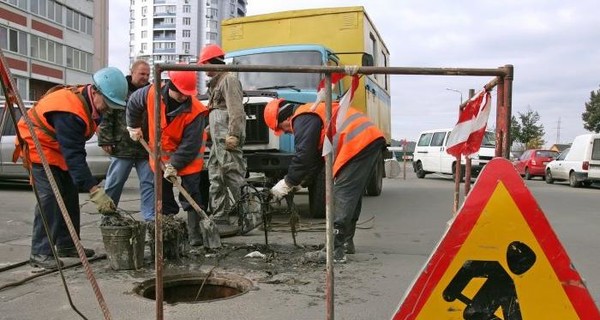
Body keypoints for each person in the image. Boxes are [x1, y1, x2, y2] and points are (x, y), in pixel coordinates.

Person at [14, 67, 128, 270]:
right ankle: (40, 251)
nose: (108, 109)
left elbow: (72, 151)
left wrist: (85, 184)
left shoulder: (90, 104)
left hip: (57, 146)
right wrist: (94, 190)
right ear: (95, 91)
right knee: (49, 198)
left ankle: (67, 244)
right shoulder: (70, 111)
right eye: (108, 104)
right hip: (38, 144)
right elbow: (75, 156)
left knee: (69, 195)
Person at [264, 98, 386, 263]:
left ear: (285, 118)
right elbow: (315, 159)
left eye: (283, 129)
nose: (287, 133)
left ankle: (334, 250)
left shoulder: (302, 117)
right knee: (352, 194)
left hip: (357, 141)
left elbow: (303, 156)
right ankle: (345, 242)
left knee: (343, 193)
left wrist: (287, 182)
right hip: (367, 139)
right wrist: (301, 182)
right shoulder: (311, 114)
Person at [126, 70, 209, 246]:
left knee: (191, 193)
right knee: (162, 195)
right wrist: (133, 126)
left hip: (189, 158)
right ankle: (170, 231)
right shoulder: (150, 93)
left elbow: (191, 145)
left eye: (188, 94)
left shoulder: (196, 112)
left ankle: (195, 233)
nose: (184, 97)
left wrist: (174, 165)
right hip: (159, 157)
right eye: (181, 93)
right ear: (171, 86)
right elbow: (133, 103)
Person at [198, 44, 247, 236]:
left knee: (233, 172)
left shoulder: (229, 80)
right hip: (218, 138)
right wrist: (209, 129)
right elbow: (219, 111)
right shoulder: (217, 83)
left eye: (204, 64)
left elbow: (236, 110)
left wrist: (234, 134)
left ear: (211, 62)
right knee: (216, 175)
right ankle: (220, 215)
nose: (202, 69)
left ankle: (249, 214)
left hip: (226, 137)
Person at [97, 60, 154, 222]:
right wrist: (105, 140)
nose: (145, 77)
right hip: (122, 147)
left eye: (147, 74)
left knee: (149, 184)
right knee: (114, 183)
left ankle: (150, 217)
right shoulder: (120, 90)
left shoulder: (150, 92)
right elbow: (108, 115)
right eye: (142, 73)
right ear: (132, 72)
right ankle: (108, 215)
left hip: (145, 148)